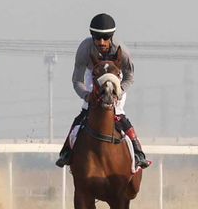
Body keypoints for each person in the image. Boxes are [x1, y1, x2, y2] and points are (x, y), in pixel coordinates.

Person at [54, 13, 150, 171]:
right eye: (97, 38)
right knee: (86, 110)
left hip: (116, 79)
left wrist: (120, 91)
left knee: (118, 111)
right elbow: (77, 81)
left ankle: (138, 153)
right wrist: (86, 95)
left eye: (105, 38)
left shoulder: (122, 51)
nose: (101, 42)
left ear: (111, 37)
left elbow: (129, 77)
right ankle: (66, 152)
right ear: (92, 36)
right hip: (94, 76)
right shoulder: (84, 49)